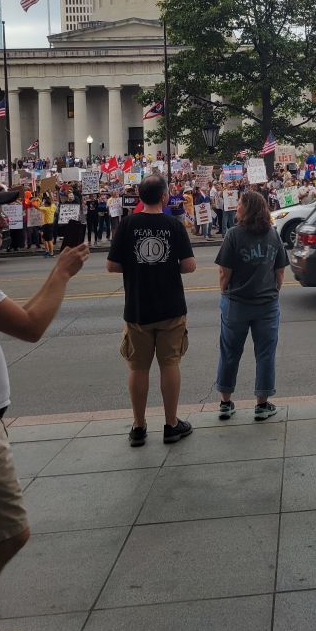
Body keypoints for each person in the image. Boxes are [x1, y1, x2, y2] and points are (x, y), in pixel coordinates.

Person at [0, 180, 87, 631]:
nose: (3, 221)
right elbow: (31, 325)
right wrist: (61, 273)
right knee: (8, 536)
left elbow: (17, 315)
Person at [107, 174, 196, 447]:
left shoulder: (127, 224)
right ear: (164, 197)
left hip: (137, 307)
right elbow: (189, 265)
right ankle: (171, 424)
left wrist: (136, 266)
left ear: (140, 197)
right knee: (170, 364)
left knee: (138, 368)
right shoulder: (174, 225)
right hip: (171, 306)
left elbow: (112, 265)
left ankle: (138, 426)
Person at [214, 190, 289, 421]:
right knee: (265, 353)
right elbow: (280, 271)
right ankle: (262, 404)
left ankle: (225, 403)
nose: (236, 206)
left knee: (229, 352)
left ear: (248, 209)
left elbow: (224, 272)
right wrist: (274, 290)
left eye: (240, 203)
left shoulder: (233, 235)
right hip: (266, 304)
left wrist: (224, 291)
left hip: (236, 303)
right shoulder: (273, 234)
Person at [37, 192, 56, 258]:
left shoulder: (46, 209)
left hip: (47, 225)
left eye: (44, 203)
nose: (44, 204)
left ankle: (51, 253)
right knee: (44, 239)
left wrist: (32, 202)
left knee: (49, 240)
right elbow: (53, 200)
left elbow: (37, 207)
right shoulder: (53, 207)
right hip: (48, 225)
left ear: (47, 204)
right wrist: (49, 192)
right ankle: (48, 251)